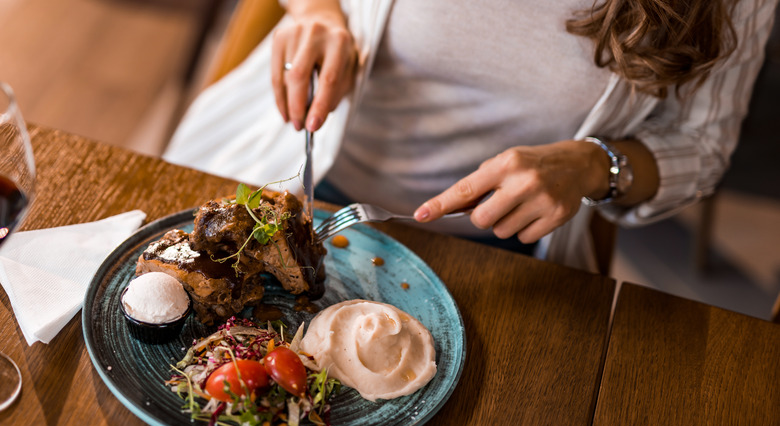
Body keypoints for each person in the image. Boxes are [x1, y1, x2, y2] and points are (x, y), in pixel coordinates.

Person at [164, 0, 778, 272]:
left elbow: (703, 144)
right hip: (274, 175)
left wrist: (596, 166)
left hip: (498, 260)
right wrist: (319, 12)